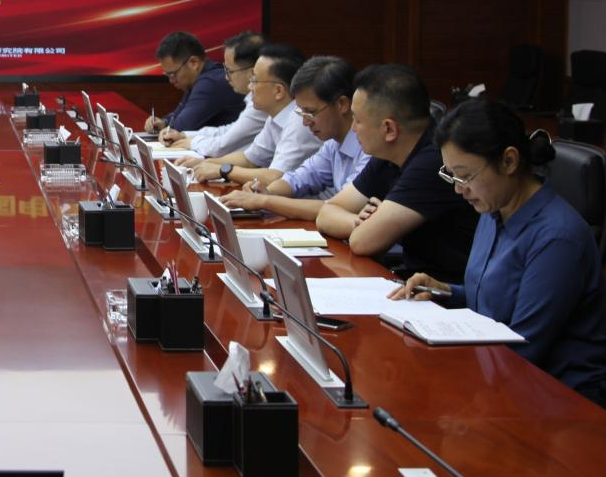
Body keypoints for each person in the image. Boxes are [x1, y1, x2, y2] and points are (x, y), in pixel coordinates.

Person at [389, 99, 606, 406]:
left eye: (465, 176)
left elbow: (523, 347)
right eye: (451, 175)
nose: (458, 189)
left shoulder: (558, 238)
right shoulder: (493, 210)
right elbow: (495, 302)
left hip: (557, 401)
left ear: (509, 161)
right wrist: (445, 292)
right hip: (501, 380)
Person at [316, 64, 478, 282]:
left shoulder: (434, 161)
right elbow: (326, 213)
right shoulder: (388, 154)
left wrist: (367, 227)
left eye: (358, 120)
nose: (353, 128)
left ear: (389, 129)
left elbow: (363, 242)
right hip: (413, 283)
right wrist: (358, 221)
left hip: (447, 291)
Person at [219, 55, 369, 220]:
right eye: (301, 112)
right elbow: (300, 177)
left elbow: (337, 208)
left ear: (342, 105)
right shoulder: (333, 143)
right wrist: (266, 192)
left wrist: (265, 201)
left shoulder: (370, 149)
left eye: (311, 112)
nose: (305, 122)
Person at [189, 44, 321, 187]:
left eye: (254, 80)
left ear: (278, 91)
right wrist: (204, 163)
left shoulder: (300, 121)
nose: (249, 86)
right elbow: (249, 159)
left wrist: (224, 170)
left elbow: (276, 178)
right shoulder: (275, 115)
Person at [162, 30, 267, 155]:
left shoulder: (263, 103)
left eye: (230, 71)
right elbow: (229, 130)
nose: (226, 77)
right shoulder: (252, 98)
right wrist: (184, 136)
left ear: (252, 72)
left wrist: (192, 142)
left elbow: (224, 144)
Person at [142, 31, 243, 138]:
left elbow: (180, 128)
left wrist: (167, 126)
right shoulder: (200, 79)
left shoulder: (210, 83)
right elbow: (178, 115)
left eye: (172, 74)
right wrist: (163, 122)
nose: (171, 80)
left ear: (193, 62)